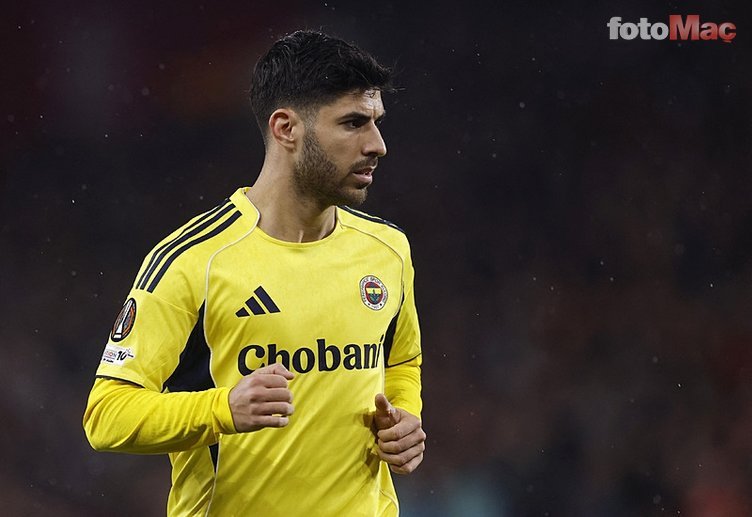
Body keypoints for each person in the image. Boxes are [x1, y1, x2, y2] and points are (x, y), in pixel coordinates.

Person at [83, 30, 425, 516]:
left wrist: (405, 416)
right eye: (353, 123)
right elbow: (106, 417)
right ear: (286, 128)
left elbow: (401, 361)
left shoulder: (387, 249)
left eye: (376, 122)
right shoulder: (195, 261)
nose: (378, 145)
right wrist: (221, 409)